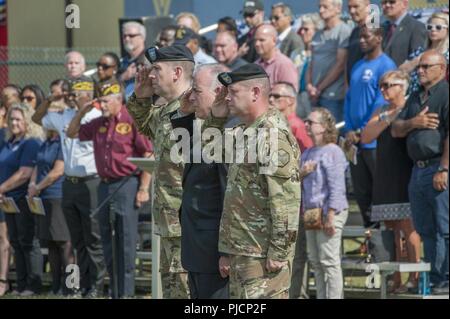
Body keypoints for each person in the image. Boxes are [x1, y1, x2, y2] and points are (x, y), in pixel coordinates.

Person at [207, 63, 301, 299]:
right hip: (241, 251)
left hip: (262, 255)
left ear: (256, 92)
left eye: (233, 92)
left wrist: (279, 252)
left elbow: (286, 200)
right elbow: (207, 150)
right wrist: (216, 117)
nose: (227, 98)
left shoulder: (272, 135)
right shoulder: (244, 131)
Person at [67, 85, 152, 298]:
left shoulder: (131, 120)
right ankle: (114, 292)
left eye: (106, 101)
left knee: (125, 240)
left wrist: (143, 187)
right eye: (100, 101)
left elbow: (148, 153)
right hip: (104, 185)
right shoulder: (98, 123)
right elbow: (71, 132)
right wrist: (81, 112)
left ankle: (126, 293)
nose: (101, 105)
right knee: (107, 240)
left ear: (118, 100)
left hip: (126, 183)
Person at [127, 45, 195, 299]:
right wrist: (142, 97)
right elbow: (147, 127)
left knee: (187, 293)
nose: (151, 75)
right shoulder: (168, 109)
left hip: (188, 222)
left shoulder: (196, 110)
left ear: (177, 72)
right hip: (169, 221)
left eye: (156, 69)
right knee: (171, 290)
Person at [32, 79, 106, 298]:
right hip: (69, 184)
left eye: (77, 93)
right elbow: (36, 119)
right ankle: (80, 285)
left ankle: (96, 287)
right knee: (76, 240)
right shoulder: (63, 115)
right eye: (71, 93)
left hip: (90, 182)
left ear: (89, 94)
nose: (72, 96)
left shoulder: (96, 117)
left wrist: (84, 109)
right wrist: (49, 100)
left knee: (93, 239)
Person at [169, 64, 230, 299]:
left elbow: (230, 196)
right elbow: (192, 158)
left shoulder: (229, 133)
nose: (190, 97)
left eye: (197, 91)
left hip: (214, 250)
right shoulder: (210, 128)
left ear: (218, 93)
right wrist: (183, 115)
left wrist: (226, 251)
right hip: (198, 247)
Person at [392, 50, 449, 295]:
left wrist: (444, 168)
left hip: (439, 166)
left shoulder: (446, 94)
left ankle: (445, 279)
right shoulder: (415, 96)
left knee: (445, 227)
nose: (420, 70)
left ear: (442, 68)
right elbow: (396, 129)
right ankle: (435, 279)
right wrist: (413, 123)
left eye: (427, 66)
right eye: (419, 67)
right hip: (418, 170)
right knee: (425, 228)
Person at [360, 70, 421, 294]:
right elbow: (366, 136)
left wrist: (390, 118)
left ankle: (414, 277)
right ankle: (396, 278)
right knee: (392, 228)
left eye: (389, 85)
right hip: (385, 172)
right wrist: (388, 117)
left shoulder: (411, 107)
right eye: (381, 85)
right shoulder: (382, 111)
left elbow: (399, 133)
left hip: (404, 170)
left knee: (409, 227)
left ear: (403, 86)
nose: (384, 89)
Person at [343, 26, 397, 228]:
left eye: (367, 37)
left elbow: (381, 102)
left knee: (379, 192)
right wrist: (349, 128)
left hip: (374, 142)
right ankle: (370, 240)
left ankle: (384, 242)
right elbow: (348, 99)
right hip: (354, 143)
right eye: (360, 37)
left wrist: (363, 130)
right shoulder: (357, 65)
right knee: (361, 193)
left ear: (379, 37)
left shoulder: (386, 65)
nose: (362, 41)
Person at [301, 108, 349, 299]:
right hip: (312, 213)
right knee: (316, 262)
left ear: (323, 127)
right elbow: (296, 180)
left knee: (329, 262)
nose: (306, 125)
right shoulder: (308, 152)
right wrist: (303, 172)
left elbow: (337, 187)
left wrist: (331, 216)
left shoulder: (334, 152)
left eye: (310, 122)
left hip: (330, 212)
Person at [0, 103, 44, 296]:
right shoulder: (10, 142)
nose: (14, 122)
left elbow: (24, 173)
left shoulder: (31, 142)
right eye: (11, 119)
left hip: (22, 199)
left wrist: (1, 188)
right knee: (16, 242)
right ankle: (21, 283)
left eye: (18, 119)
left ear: (27, 121)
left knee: (28, 241)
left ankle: (32, 285)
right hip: (8, 200)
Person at [27, 124, 72, 296]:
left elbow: (58, 171)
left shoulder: (62, 141)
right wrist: (32, 185)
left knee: (65, 243)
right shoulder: (46, 141)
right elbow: (38, 166)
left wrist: (37, 187)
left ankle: (71, 285)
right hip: (43, 198)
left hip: (58, 196)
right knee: (51, 243)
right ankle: (56, 285)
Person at [307, 0, 352, 124]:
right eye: (320, 7)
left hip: (333, 96)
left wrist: (319, 88)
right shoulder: (317, 34)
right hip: (315, 95)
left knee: (330, 135)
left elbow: (340, 64)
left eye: (325, 7)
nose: (321, 10)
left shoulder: (344, 31)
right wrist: (309, 84)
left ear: (338, 8)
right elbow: (311, 61)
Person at [400, 12, 449, 94]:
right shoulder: (420, 51)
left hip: (439, 97)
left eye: (438, 27)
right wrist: (417, 60)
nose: (433, 30)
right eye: (429, 27)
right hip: (415, 96)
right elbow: (401, 71)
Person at [291, 14, 323, 119]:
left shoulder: (322, 53)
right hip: (298, 98)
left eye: (306, 29)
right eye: (301, 29)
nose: (302, 32)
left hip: (315, 97)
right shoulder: (296, 53)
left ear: (317, 30)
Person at [269, 82, 313, 152]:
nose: (271, 99)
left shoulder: (297, 126)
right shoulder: (272, 122)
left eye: (276, 96)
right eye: (270, 96)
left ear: (290, 100)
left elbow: (306, 153)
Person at [381, 0, 427, 67]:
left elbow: (416, 59)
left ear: (404, 4)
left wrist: (399, 73)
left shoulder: (416, 27)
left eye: (392, 2)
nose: (387, 5)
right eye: (384, 2)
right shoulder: (383, 28)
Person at [255, 24, 299, 91]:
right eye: (255, 40)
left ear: (274, 41)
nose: (257, 44)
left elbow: (289, 96)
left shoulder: (284, 64)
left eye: (262, 40)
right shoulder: (255, 65)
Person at [119, 21, 147, 100]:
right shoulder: (121, 62)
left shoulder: (150, 59)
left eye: (131, 36)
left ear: (142, 37)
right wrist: (123, 77)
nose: (127, 39)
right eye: (124, 36)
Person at [346, 0, 370, 85]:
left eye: (356, 7)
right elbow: (348, 62)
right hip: (353, 88)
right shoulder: (354, 31)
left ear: (368, 7)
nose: (352, 11)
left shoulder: (375, 31)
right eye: (349, 7)